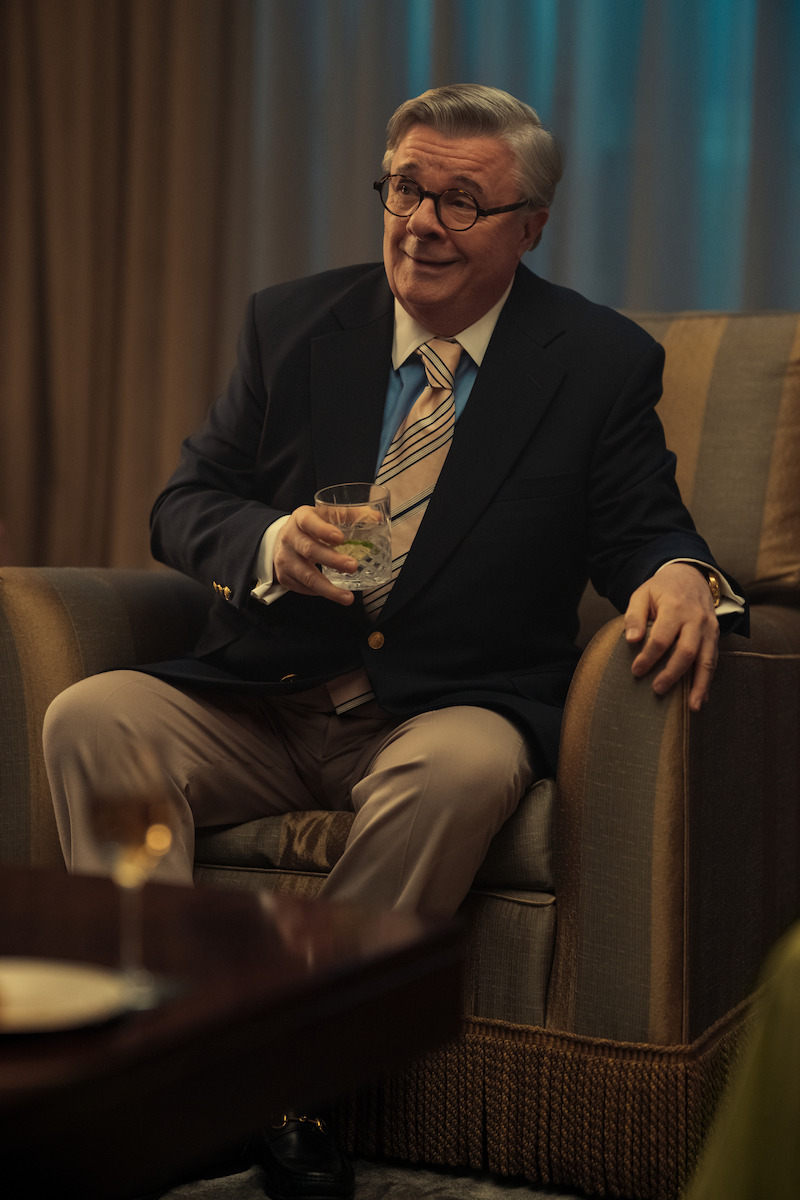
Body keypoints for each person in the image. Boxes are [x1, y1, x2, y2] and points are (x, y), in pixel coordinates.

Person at [44, 84, 746, 1200]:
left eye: (459, 200)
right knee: (91, 715)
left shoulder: (595, 360)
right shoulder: (291, 321)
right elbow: (187, 500)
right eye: (404, 188)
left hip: (445, 705)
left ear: (529, 226)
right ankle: (155, 1047)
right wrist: (270, 539)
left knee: (459, 766)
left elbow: (642, 523)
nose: (418, 221)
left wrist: (674, 572)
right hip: (263, 693)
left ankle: (288, 1086)